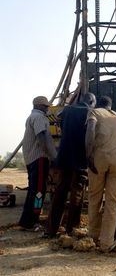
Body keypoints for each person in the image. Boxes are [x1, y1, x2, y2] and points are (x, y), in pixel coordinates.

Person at [44, 92, 96, 237]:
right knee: (77, 193)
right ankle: (72, 228)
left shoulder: (67, 110)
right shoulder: (90, 112)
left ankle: (50, 229)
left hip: (64, 157)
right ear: (91, 101)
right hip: (80, 157)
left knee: (60, 192)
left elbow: (59, 119)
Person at [85, 96, 116, 252]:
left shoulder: (95, 113)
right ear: (110, 106)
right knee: (112, 202)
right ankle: (107, 242)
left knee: (94, 197)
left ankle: (93, 235)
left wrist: (89, 155)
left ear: (100, 105)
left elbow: (90, 131)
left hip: (99, 159)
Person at [19, 96, 57, 231]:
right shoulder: (40, 118)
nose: (48, 109)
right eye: (46, 106)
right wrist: (53, 156)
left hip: (32, 159)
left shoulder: (32, 117)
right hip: (39, 158)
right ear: (40, 106)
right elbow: (42, 138)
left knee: (33, 190)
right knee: (39, 192)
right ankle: (32, 221)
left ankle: (26, 221)